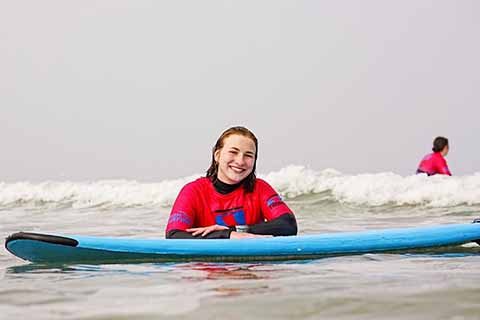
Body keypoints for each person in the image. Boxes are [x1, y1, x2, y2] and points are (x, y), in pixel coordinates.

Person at [165, 126, 298, 239]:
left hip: (253, 268)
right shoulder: (193, 191)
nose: (240, 161)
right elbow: (173, 235)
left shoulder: (259, 188)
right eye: (233, 152)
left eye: (248, 155)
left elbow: (288, 224)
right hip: (208, 266)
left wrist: (237, 231)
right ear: (217, 155)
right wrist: (226, 235)